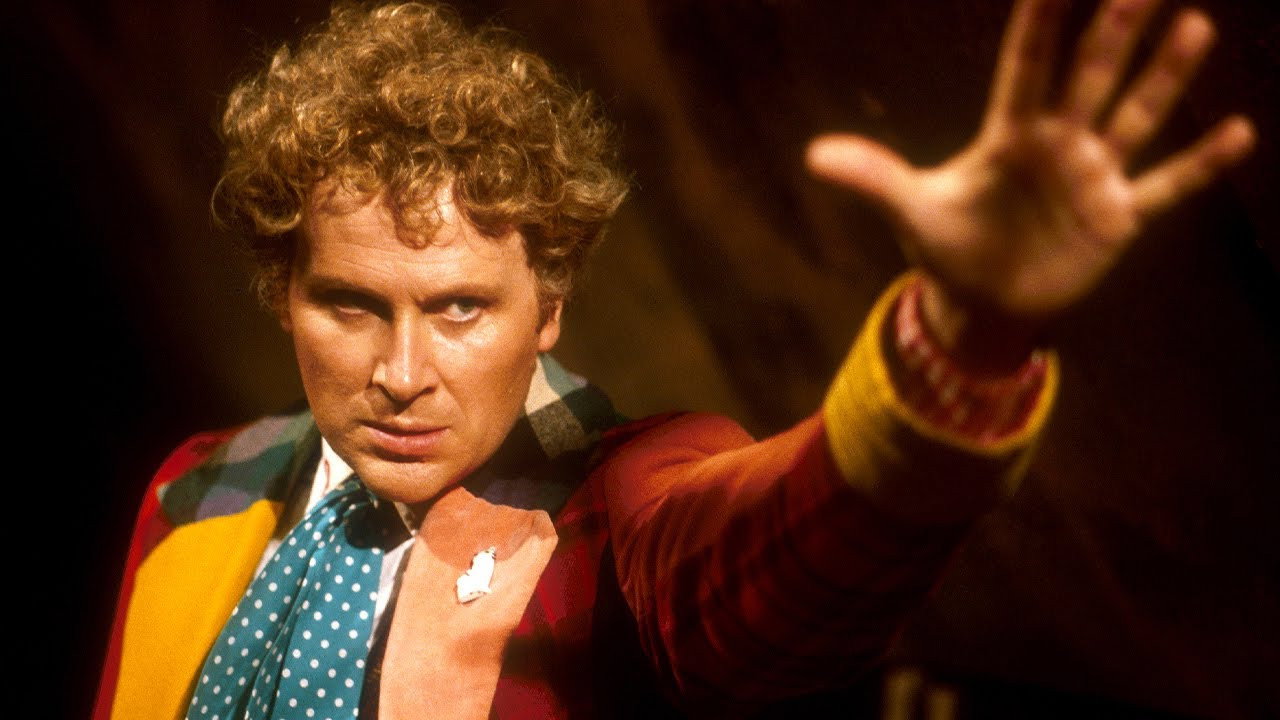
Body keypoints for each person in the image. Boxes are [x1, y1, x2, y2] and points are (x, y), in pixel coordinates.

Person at [93, 0, 1255, 718]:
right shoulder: (201, 485)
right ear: (283, 296)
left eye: (458, 310)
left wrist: (967, 335)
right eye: (350, 306)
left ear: (547, 309)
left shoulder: (625, 498)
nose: (402, 371)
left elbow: (770, 564)